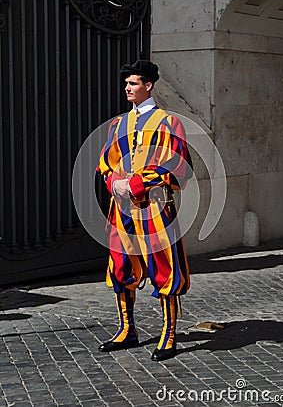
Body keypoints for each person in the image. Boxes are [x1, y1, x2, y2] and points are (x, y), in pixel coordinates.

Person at [96, 60, 193, 361]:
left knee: (164, 265)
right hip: (121, 208)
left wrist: (135, 184)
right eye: (126, 83)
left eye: (133, 82)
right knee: (121, 263)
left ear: (148, 85)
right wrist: (114, 182)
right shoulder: (117, 125)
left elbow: (176, 163)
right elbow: (105, 163)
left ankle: (169, 334)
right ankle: (128, 329)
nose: (127, 87)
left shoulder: (168, 122)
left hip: (154, 205)